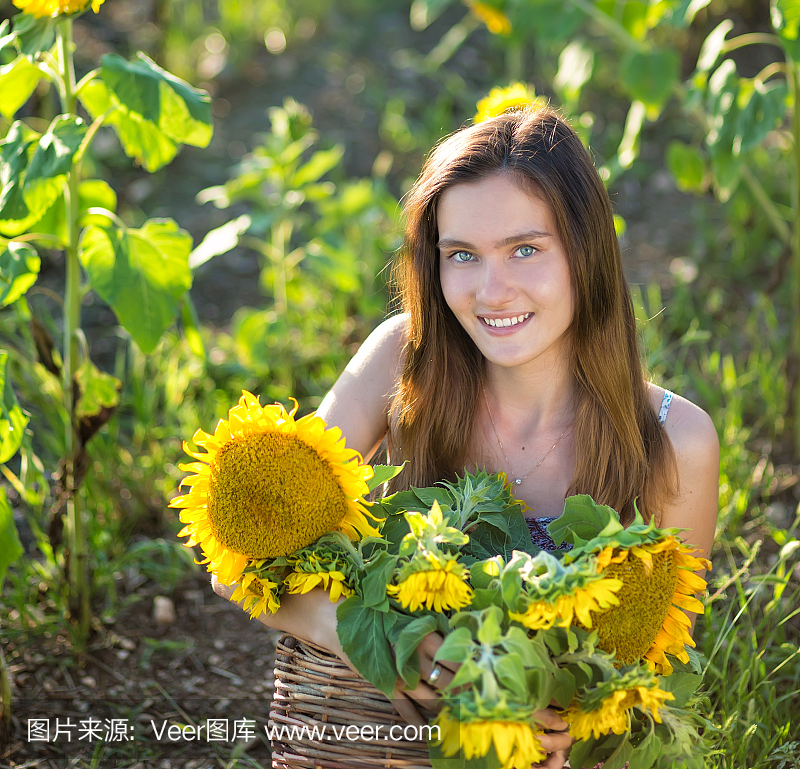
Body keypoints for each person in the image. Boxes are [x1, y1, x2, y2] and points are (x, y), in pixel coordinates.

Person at [213, 105, 720, 769]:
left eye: (526, 249)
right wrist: (368, 635)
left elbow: (656, 666)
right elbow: (239, 550)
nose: (491, 290)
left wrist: (577, 719)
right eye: (462, 255)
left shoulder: (674, 440)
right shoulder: (401, 363)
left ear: (586, 254)